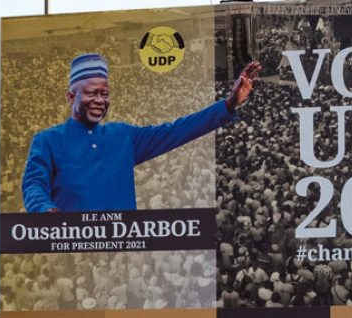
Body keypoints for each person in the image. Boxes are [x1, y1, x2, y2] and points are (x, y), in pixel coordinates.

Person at [21, 54, 262, 213]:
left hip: (124, 252)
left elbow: (177, 131)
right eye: (91, 93)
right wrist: (44, 210)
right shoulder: (47, 140)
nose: (99, 100)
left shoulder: (122, 136)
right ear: (71, 97)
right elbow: (33, 184)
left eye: (104, 94)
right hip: (74, 253)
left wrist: (229, 103)